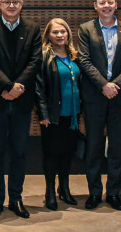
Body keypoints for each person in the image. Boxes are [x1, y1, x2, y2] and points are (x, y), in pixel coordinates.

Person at [0, 0, 42, 219]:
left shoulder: (33, 28)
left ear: (21, 4)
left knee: (19, 152)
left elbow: (35, 62)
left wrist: (16, 89)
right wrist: (8, 87)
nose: (11, 5)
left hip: (22, 101)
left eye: (15, 1)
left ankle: (16, 198)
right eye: (7, 1)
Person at [77, 0, 121, 211]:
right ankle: (94, 192)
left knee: (116, 146)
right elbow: (84, 60)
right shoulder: (85, 29)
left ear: (116, 5)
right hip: (94, 97)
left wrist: (114, 85)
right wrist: (103, 85)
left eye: (110, 2)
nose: (107, 5)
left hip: (119, 96)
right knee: (94, 145)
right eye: (102, 2)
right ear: (95, 6)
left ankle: (114, 193)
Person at [35, 18, 82, 211]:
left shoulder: (74, 55)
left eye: (63, 31)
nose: (60, 35)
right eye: (55, 32)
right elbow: (38, 88)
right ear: (48, 36)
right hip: (53, 115)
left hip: (73, 115)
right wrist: (43, 113)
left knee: (67, 154)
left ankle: (64, 188)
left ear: (68, 34)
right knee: (52, 155)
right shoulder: (44, 56)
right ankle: (50, 193)